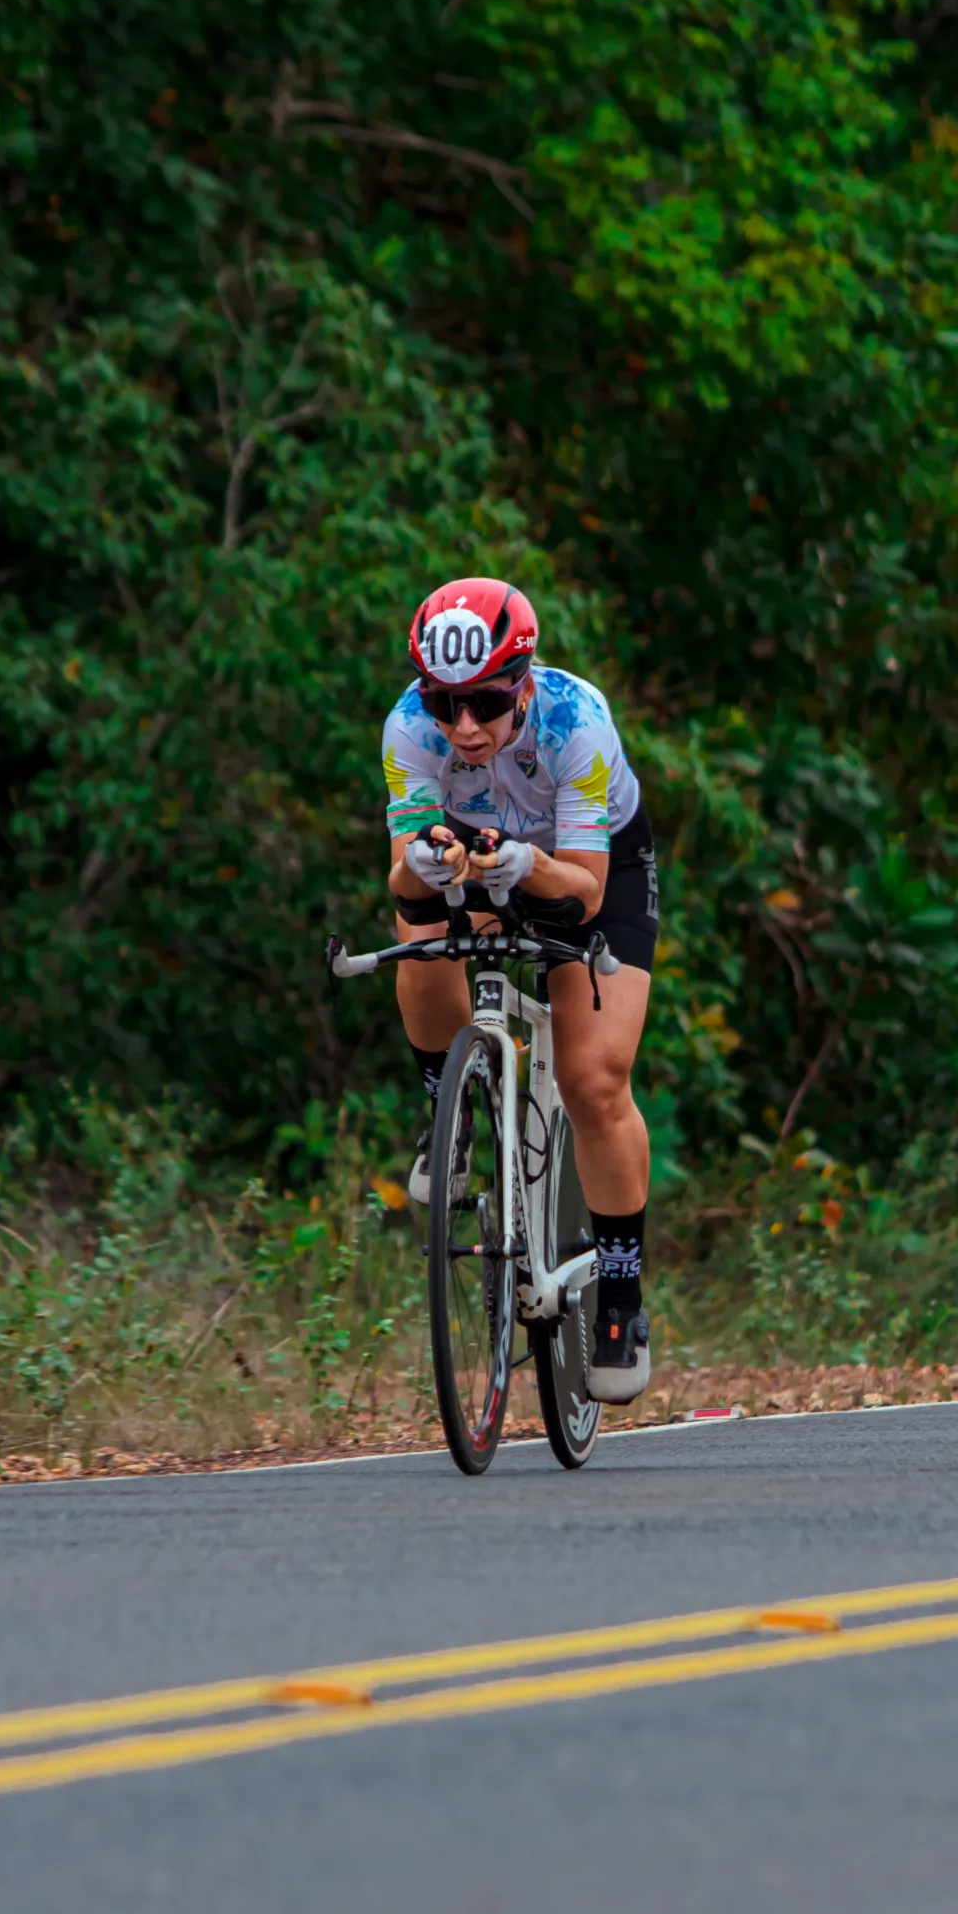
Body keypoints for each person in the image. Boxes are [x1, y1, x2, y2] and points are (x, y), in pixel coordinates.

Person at [383, 577, 657, 1403]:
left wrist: (528, 864)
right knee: (420, 946)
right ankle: (450, 1116)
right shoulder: (408, 728)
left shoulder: (577, 723)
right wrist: (425, 865)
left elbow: (583, 892)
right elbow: (403, 888)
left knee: (592, 1080)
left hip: (582, 863)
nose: (463, 726)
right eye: (445, 702)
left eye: (487, 703)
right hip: (476, 846)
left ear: (523, 682)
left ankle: (619, 1293)